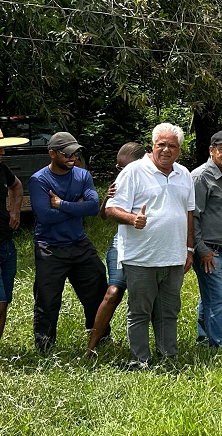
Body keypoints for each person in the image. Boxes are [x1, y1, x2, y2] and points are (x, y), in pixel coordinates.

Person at [106, 123, 194, 365]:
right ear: (153, 146)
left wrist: (189, 249)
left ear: (179, 150)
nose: (166, 150)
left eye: (172, 146)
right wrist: (132, 218)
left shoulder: (184, 174)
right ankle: (140, 360)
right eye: (161, 145)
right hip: (141, 258)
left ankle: (168, 357)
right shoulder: (133, 172)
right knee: (140, 312)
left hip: (174, 257)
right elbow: (111, 208)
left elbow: (188, 214)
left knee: (169, 312)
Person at [30, 132, 106, 352]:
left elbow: (92, 207)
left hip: (79, 244)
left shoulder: (83, 176)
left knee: (97, 288)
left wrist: (62, 204)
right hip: (49, 248)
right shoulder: (39, 180)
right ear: (52, 153)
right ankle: (44, 346)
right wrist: (76, 206)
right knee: (47, 300)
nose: (73, 157)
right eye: (67, 153)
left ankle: (100, 336)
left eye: (75, 152)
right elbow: (45, 216)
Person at [84, 142, 147, 357]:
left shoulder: (150, 178)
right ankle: (92, 347)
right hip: (122, 243)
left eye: (124, 168)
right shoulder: (121, 181)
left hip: (148, 247)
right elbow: (104, 215)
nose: (120, 173)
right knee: (113, 293)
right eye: (118, 169)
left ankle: (148, 348)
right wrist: (107, 198)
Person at [192, 130, 222, 348]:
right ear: (211, 151)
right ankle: (215, 346)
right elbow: (193, 216)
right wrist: (201, 250)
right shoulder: (202, 177)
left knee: (211, 297)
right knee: (218, 298)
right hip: (210, 251)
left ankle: (204, 338)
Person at [0, 129, 25, 341]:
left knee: (4, 300)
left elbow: (16, 186)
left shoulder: (1, 168)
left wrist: (15, 210)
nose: (3, 152)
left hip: (6, 245)